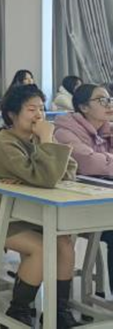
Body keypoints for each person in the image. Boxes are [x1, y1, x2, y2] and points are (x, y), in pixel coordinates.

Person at [0, 84, 78, 327]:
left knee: (64, 243)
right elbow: (47, 178)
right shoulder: (3, 143)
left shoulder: (35, 139)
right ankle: (17, 311)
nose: (39, 115)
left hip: (23, 212)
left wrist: (45, 149)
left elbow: (68, 173)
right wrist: (45, 147)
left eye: (41, 109)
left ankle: (59, 310)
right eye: (31, 109)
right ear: (12, 114)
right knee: (41, 248)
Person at [54, 84, 113, 291]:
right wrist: (105, 160)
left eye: (110, 99)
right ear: (83, 107)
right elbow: (89, 163)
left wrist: (104, 159)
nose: (109, 104)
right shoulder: (65, 131)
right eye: (102, 100)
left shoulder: (107, 129)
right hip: (74, 209)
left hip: (102, 202)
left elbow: (100, 162)